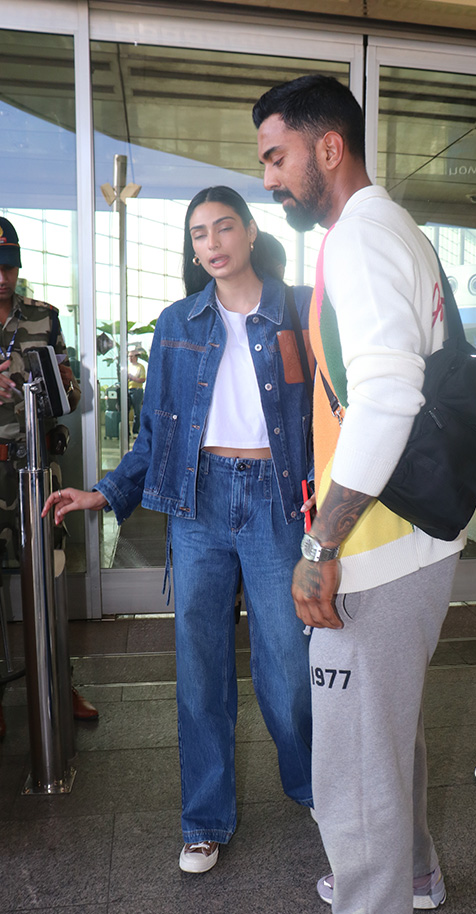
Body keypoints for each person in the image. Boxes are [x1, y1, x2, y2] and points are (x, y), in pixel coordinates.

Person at [252, 76, 467, 914]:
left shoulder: (364, 240)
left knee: (353, 772)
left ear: (327, 147)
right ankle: (409, 873)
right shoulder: (390, 231)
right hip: (407, 540)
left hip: (375, 553)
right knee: (388, 735)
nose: (270, 180)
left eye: (276, 156)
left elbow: (386, 399)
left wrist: (318, 547)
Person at [43, 187, 314, 873]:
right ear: (192, 248)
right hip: (198, 502)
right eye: (199, 234)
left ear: (251, 233)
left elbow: (329, 419)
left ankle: (315, 790)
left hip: (277, 501)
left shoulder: (299, 311)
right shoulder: (177, 323)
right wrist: (105, 491)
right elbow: (156, 434)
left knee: (288, 671)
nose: (213, 242)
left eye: (225, 227)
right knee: (200, 671)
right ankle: (205, 819)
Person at [0, 216, 98, 739]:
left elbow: (72, 396)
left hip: (32, 467)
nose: (3, 277)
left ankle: (60, 682)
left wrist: (66, 387)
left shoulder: (43, 318)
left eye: (10, 265)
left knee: (50, 577)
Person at [127, 347, 146, 436]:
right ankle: (127, 432)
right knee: (126, 410)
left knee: (137, 411)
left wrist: (132, 378)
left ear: (136, 357)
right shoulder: (127, 367)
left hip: (137, 390)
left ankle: (135, 431)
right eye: (129, 356)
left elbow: (142, 379)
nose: (130, 358)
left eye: (132, 356)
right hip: (128, 390)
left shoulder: (140, 367)